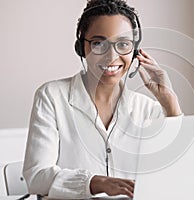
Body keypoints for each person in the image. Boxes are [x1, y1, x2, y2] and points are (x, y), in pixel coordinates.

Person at [23, 0, 181, 199]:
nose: (112, 56)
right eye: (99, 43)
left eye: (123, 44)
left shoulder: (148, 110)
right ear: (81, 47)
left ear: (134, 51)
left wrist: (170, 102)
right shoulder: (52, 97)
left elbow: (178, 174)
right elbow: (36, 177)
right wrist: (96, 183)